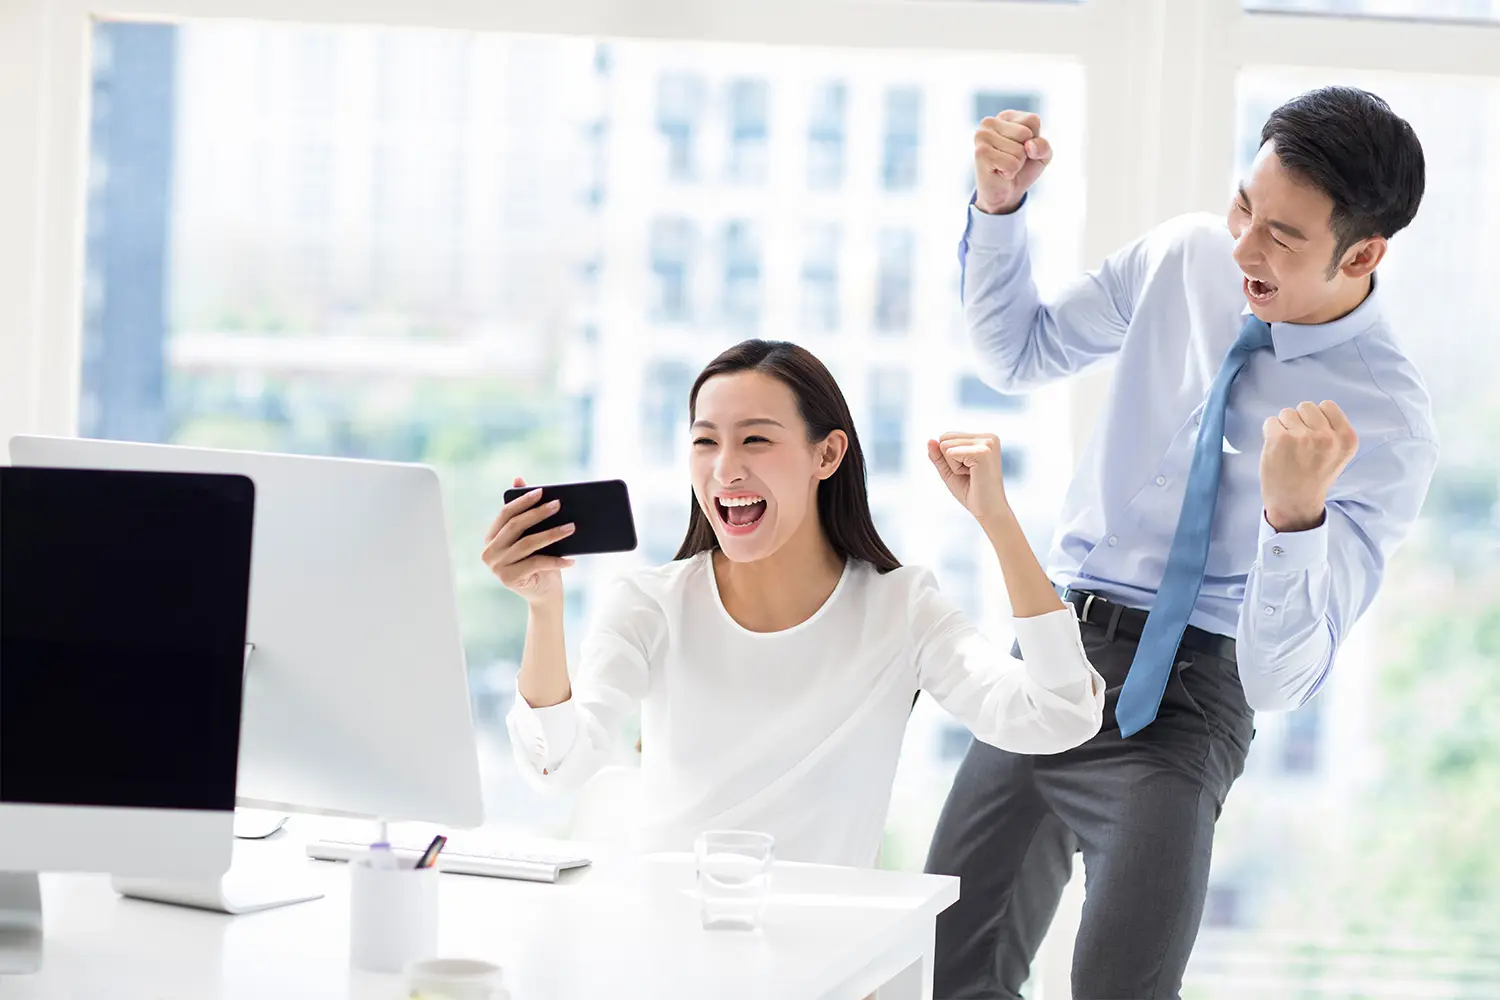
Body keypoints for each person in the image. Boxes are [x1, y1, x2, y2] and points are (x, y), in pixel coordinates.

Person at [925, 87, 1439, 999]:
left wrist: (1294, 523)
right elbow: (1019, 354)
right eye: (1244, 206)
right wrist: (999, 209)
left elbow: (1281, 681)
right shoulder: (1185, 255)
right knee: (944, 973)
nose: (1242, 248)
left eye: (1282, 236)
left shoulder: (1389, 420)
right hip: (1054, 656)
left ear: (1362, 253)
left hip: (1186, 706)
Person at [482, 339, 1105, 867]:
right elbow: (556, 768)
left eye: (755, 439)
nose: (725, 469)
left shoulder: (901, 609)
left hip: (825, 949)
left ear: (826, 454)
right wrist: (543, 608)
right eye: (705, 442)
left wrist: (997, 521)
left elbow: (1059, 716)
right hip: (664, 935)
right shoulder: (651, 604)